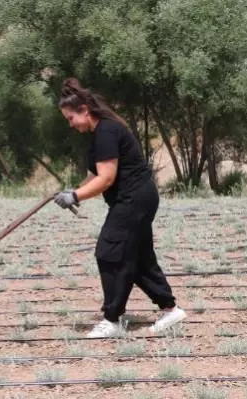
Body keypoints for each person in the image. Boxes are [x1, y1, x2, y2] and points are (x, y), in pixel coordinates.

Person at [53, 77, 186, 338]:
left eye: (70, 119)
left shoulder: (106, 132)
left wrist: (76, 197)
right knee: (139, 258)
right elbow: (95, 176)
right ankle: (171, 310)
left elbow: (107, 179)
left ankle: (112, 319)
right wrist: (72, 193)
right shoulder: (100, 134)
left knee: (109, 252)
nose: (70, 125)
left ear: (84, 111)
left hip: (134, 199)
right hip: (138, 198)